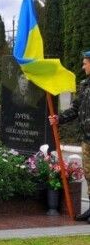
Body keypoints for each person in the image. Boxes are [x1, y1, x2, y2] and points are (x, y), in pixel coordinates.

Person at [49, 50, 90, 221]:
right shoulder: (85, 85)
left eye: (85, 62)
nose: (83, 66)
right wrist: (59, 118)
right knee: (89, 173)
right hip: (87, 137)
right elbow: (75, 109)